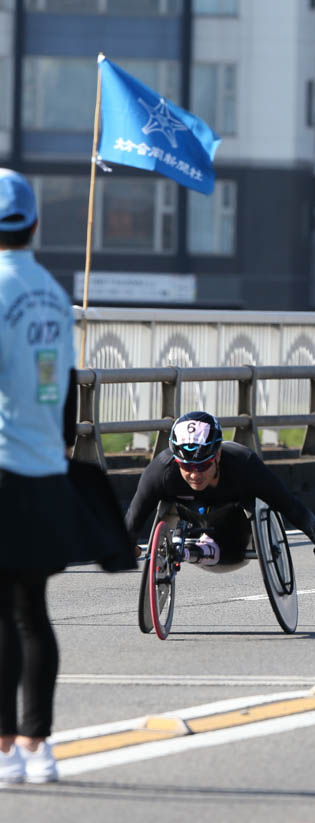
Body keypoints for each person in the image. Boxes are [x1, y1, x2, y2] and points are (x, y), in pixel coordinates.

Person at [0, 169, 134, 785]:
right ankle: (38, 746)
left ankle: (3, 750)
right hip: (45, 470)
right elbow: (62, 390)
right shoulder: (52, 293)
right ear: (32, 222)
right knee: (31, 611)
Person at [125, 411, 315, 567]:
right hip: (189, 515)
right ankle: (194, 547)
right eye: (186, 466)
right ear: (175, 460)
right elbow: (136, 513)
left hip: (234, 528)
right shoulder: (159, 472)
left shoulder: (244, 464)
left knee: (232, 541)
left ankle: (210, 547)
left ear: (218, 455)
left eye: (203, 465)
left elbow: (286, 502)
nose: (195, 474)